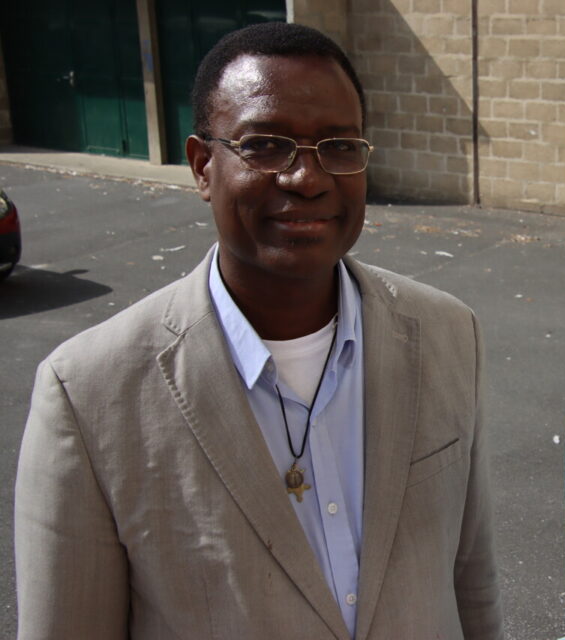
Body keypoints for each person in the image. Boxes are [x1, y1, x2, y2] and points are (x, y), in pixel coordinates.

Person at [15, 22, 502, 640]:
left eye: (339, 146)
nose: (308, 177)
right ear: (201, 167)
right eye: (266, 145)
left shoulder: (448, 334)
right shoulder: (88, 395)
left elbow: (472, 583)